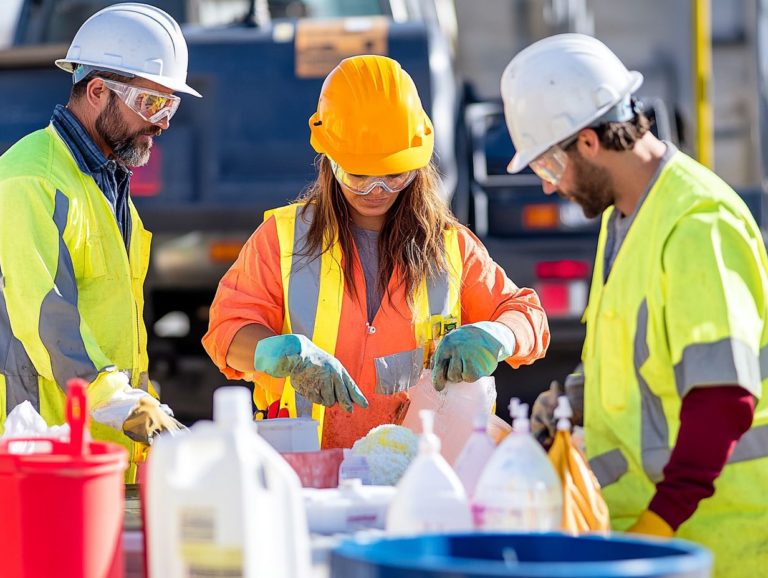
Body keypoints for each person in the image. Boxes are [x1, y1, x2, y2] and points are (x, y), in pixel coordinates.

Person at [502, 33, 768, 576]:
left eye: (551, 168)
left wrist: (657, 529)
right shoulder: (624, 218)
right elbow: (627, 366)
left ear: (590, 142)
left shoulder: (698, 223)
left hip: (712, 544)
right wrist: (568, 406)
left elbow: (724, 400)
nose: (551, 189)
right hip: (649, 535)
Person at [203, 54, 550, 448]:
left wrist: (498, 333)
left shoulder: (451, 247)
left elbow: (529, 317)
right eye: (359, 176)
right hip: (309, 467)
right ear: (329, 162)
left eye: (393, 174)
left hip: (420, 470)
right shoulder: (280, 238)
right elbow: (227, 332)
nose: (377, 191)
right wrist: (279, 353)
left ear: (417, 166)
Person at [0, 3, 202, 482]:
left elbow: (117, 324)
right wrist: (124, 406)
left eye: (170, 105)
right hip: (44, 452)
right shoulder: (30, 179)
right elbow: (48, 320)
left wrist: (135, 407)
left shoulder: (106, 183)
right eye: (152, 104)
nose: (164, 122)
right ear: (96, 91)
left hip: (102, 451)